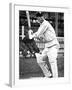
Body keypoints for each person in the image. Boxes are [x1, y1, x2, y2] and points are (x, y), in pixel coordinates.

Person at [29, 12, 60, 78]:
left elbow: (38, 33)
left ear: (43, 17)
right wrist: (34, 36)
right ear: (37, 19)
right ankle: (48, 75)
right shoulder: (41, 25)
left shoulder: (45, 24)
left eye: (42, 17)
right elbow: (40, 37)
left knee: (52, 62)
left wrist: (31, 35)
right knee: (40, 60)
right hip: (47, 46)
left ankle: (55, 79)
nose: (41, 18)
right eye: (39, 17)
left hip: (53, 45)